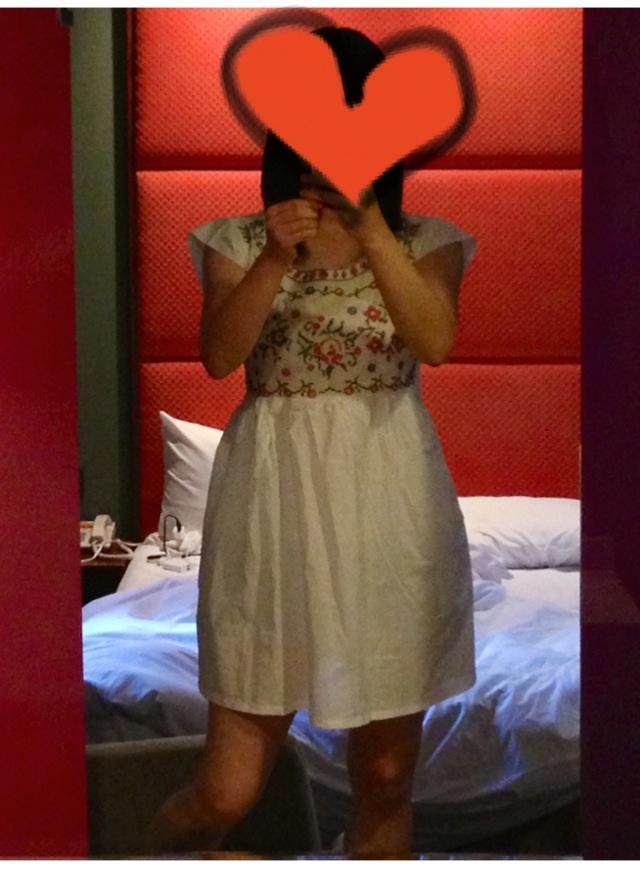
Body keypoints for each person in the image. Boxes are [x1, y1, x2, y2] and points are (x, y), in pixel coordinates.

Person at [144, 25, 478, 859]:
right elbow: (220, 356)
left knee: (387, 777)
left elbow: (434, 340)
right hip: (272, 505)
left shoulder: (426, 240)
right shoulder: (236, 239)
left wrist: (372, 231)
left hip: (389, 502)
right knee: (225, 790)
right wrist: (273, 259)